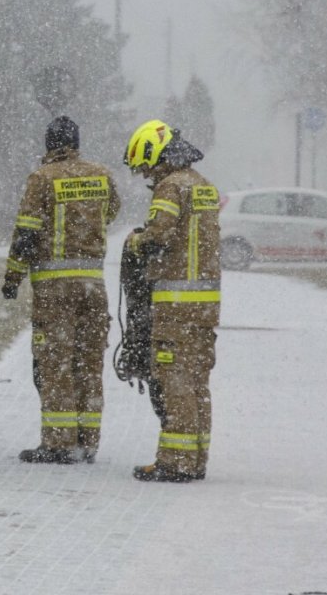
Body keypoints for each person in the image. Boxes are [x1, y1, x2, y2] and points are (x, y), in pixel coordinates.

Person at [2, 115, 120, 465]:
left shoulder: (43, 178)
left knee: (55, 363)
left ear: (49, 144)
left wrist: (12, 277)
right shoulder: (101, 174)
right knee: (88, 361)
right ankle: (88, 441)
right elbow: (110, 213)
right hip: (93, 285)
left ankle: (58, 442)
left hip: (55, 289)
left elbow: (26, 233)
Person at [121, 119, 220, 483]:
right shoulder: (204, 186)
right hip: (206, 303)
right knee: (197, 380)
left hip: (176, 303)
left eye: (145, 166)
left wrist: (135, 242)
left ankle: (174, 462)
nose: (146, 174)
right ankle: (195, 458)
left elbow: (160, 233)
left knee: (173, 378)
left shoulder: (170, 186)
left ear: (155, 154)